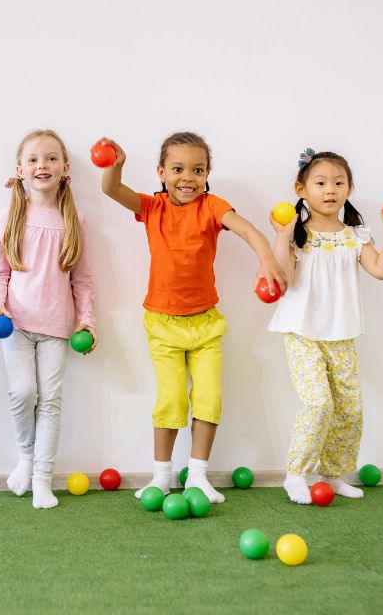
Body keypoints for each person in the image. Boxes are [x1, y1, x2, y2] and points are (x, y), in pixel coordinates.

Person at [100, 132, 284, 503]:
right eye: (178, 169)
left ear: (207, 174)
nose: (188, 177)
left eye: (198, 170)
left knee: (209, 399)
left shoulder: (212, 206)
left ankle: (198, 476)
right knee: (171, 401)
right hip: (163, 324)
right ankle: (161, 477)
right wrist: (115, 166)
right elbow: (111, 189)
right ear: (161, 172)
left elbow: (247, 229)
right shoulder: (152, 207)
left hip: (205, 324)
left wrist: (266, 259)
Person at [268, 149, 383, 504]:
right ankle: (296, 474)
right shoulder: (297, 234)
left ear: (349, 188)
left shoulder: (356, 236)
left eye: (338, 182)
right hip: (302, 332)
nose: (330, 189)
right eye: (320, 183)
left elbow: (382, 270)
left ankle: (331, 475)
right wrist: (282, 235)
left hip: (341, 334)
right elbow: (283, 278)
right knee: (318, 404)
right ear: (301, 189)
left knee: (349, 409)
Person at [0, 130, 97, 509]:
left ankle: (42, 479)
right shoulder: (12, 216)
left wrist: (87, 320)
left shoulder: (74, 220)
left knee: (50, 400)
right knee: (23, 393)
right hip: (15, 324)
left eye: (51, 158)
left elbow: (82, 279)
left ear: (65, 168)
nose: (42, 165)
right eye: (33, 159)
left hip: (56, 327)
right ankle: (26, 458)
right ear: (19, 170)